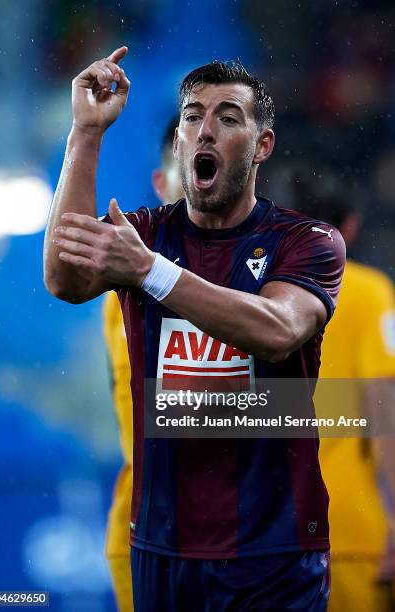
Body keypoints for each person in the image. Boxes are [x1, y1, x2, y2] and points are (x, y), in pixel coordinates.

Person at [43, 46, 346, 610]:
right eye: (192, 117)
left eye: (228, 118)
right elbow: (64, 279)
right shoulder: (147, 235)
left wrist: (150, 273)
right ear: (179, 142)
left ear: (261, 147)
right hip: (163, 545)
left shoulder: (307, 242)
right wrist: (85, 133)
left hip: (275, 553)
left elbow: (280, 329)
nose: (205, 130)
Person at [290, 177, 395, 611]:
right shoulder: (370, 294)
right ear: (349, 228)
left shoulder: (259, 298)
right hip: (353, 534)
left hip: (276, 538)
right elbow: (385, 416)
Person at [103, 117, 183, 612]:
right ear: (161, 184)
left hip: (251, 540)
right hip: (154, 534)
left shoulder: (279, 268)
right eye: (191, 167)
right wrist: (85, 136)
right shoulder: (129, 278)